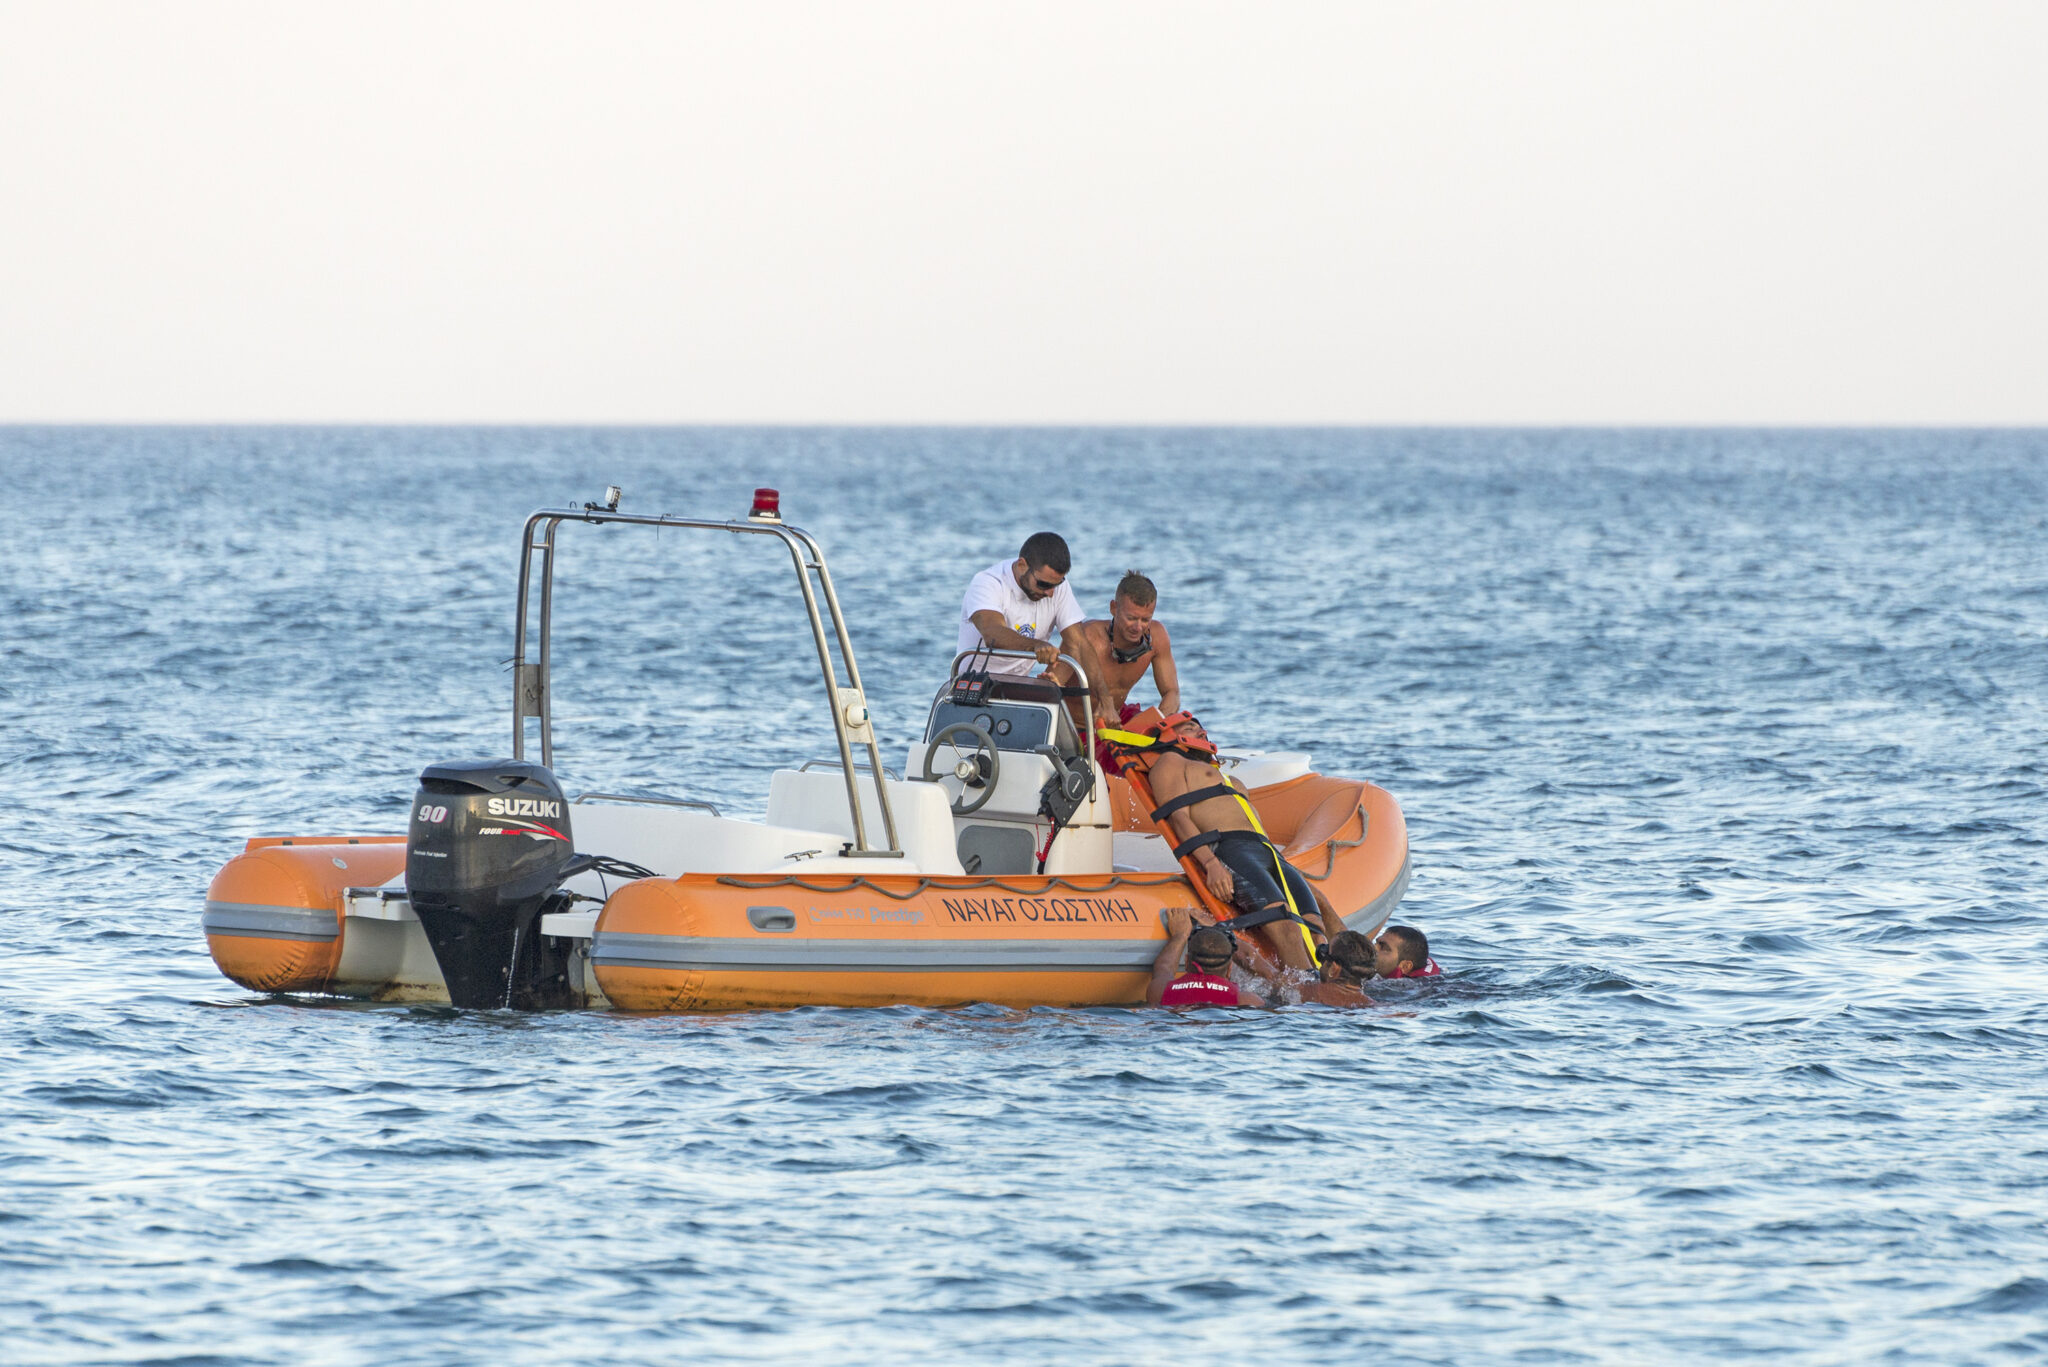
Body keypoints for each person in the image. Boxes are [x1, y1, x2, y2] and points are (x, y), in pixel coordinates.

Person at [1106, 711, 1338, 973]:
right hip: (1231, 849)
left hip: (1266, 852)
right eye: (1192, 728)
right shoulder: (1170, 764)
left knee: (1316, 919)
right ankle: (1306, 997)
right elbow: (1179, 818)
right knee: (1285, 925)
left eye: (1201, 728)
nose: (1202, 732)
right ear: (1171, 735)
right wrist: (1210, 863)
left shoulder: (1227, 778)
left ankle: (1350, 975)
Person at [1056, 570, 1181, 774]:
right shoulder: (1087, 638)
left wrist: (1155, 726)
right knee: (1122, 763)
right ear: (1114, 608)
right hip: (1077, 730)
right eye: (1131, 618)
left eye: (1145, 620)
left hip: (1119, 724)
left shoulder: (1158, 637)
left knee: (1178, 741)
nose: (1138, 627)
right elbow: (1052, 688)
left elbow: (1172, 693)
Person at [956, 532, 1084, 677]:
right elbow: (992, 633)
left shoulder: (1056, 587)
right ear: (1022, 565)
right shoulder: (987, 582)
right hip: (972, 683)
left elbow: (1079, 644)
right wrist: (1035, 645)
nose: (1050, 593)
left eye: (1057, 584)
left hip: (1018, 685)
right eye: (1043, 584)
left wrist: (1104, 695)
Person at [1146, 907, 1265, 1007]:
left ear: (1186, 962)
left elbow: (1163, 967)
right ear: (1229, 969)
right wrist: (1218, 928)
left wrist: (1180, 935)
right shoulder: (1247, 1000)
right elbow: (1275, 977)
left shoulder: (1158, 992)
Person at [1370, 924, 1440, 979]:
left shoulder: (1404, 988)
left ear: (1405, 966)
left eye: (1383, 947)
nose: (1373, 947)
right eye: (1376, 942)